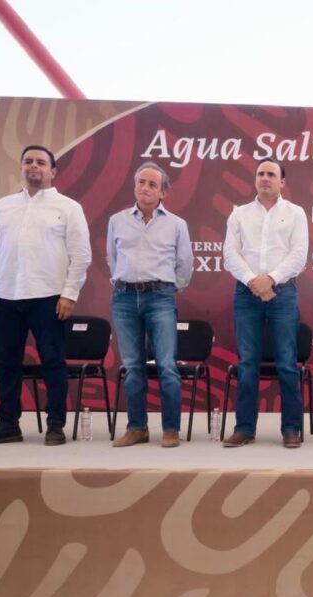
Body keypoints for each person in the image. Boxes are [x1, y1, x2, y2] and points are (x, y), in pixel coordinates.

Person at [0, 145, 91, 446]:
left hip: (49, 296)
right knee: (6, 361)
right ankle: (7, 424)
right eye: (28, 162)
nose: (33, 166)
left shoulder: (68, 207)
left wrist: (70, 294)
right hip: (6, 295)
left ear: (53, 171)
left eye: (40, 162)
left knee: (52, 361)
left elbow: (82, 255)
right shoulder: (4, 206)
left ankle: (55, 425)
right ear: (22, 168)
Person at [222, 158, 309, 448]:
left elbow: (298, 255)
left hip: (282, 293)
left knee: (286, 362)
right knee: (248, 363)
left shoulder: (296, 214)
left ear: (282, 182)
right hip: (246, 294)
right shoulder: (239, 214)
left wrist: (270, 279)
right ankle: (245, 428)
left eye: (271, 174)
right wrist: (252, 281)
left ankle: (291, 429)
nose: (265, 178)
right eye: (260, 173)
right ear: (255, 179)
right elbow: (230, 254)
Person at [107, 162, 193, 448]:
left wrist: (167, 288)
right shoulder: (117, 221)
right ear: (134, 186)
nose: (145, 188)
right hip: (124, 298)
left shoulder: (177, 224)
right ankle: (137, 428)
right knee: (132, 366)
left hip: (160, 298)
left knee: (167, 365)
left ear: (163, 193)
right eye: (141, 182)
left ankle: (171, 429)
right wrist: (125, 281)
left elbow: (185, 266)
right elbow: (112, 258)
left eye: (152, 184)